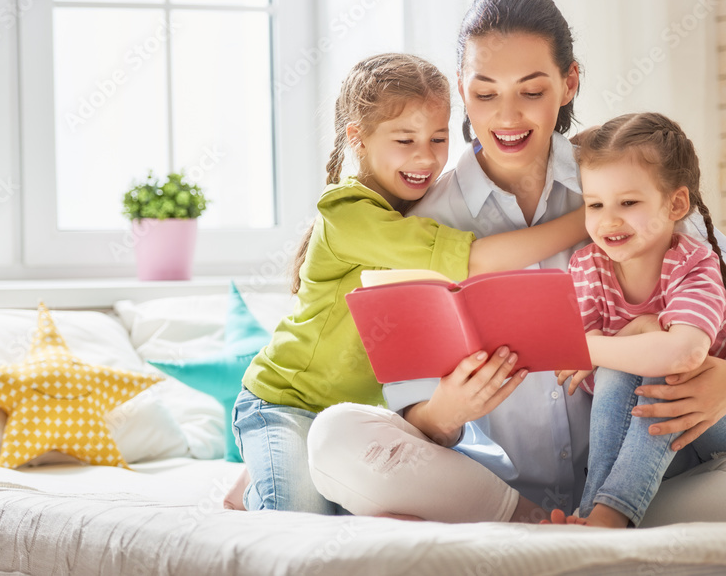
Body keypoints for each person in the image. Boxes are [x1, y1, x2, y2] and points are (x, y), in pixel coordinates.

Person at [307, 0, 726, 524]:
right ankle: (535, 522)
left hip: (650, 474)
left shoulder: (621, 180)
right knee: (334, 437)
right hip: (501, 489)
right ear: (461, 90)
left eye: (531, 91)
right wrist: (448, 413)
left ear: (569, 83)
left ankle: (609, 516)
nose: (507, 116)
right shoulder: (425, 224)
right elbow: (415, 410)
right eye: (485, 93)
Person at [233, 52, 588, 513]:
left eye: (439, 138)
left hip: (368, 419)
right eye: (405, 140)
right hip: (289, 402)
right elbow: (475, 260)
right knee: (297, 519)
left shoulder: (417, 209)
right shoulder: (349, 212)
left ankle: (260, 479)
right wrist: (586, 218)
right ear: (357, 139)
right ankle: (259, 484)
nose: (426, 157)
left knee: (386, 503)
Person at [552, 112, 726, 529]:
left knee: (661, 371)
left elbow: (684, 352)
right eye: (595, 205)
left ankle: (605, 514)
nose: (608, 220)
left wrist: (593, 347)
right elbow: (582, 377)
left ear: (675, 204)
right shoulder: (587, 267)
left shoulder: (693, 263)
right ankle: (593, 515)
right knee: (625, 366)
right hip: (670, 445)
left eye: (629, 203)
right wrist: (634, 333)